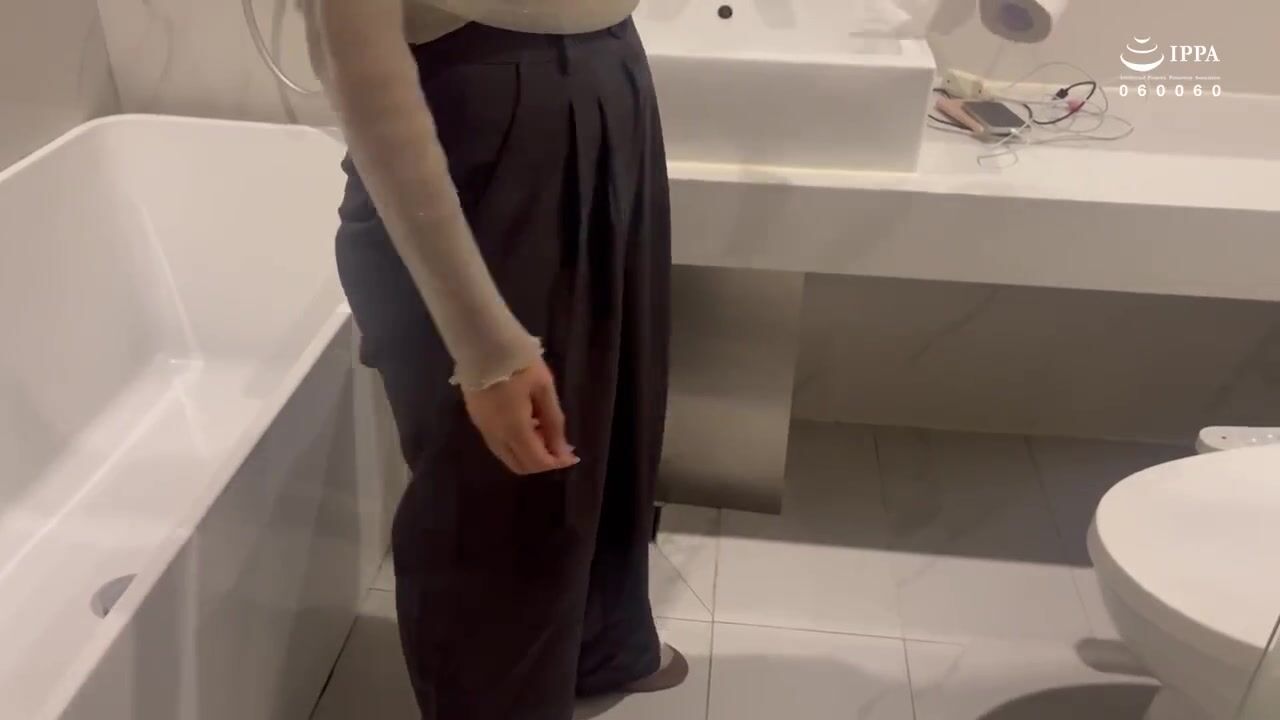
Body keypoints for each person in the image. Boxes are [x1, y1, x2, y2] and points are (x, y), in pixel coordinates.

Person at [300, 1, 684, 717]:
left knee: (612, 422)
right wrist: (486, 349)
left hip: (608, 79)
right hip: (474, 135)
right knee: (495, 495)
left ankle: (599, 647)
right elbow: (358, 66)